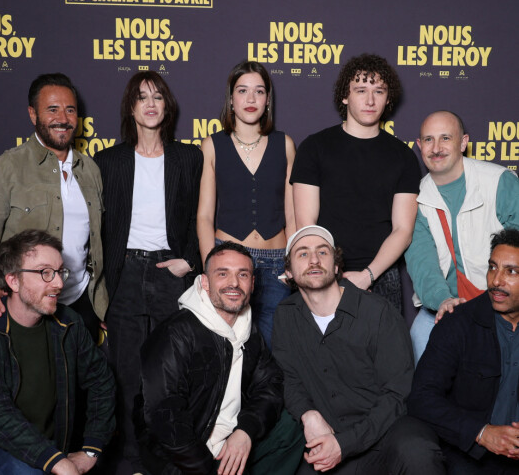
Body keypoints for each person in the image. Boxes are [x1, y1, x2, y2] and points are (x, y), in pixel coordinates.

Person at [94, 70, 203, 474]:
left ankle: (169, 460)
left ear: (167, 105)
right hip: (125, 273)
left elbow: (200, 216)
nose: (151, 103)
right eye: (142, 97)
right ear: (132, 108)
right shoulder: (109, 161)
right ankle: (131, 463)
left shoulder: (188, 157)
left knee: (170, 374)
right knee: (125, 374)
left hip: (169, 271)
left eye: (158, 96)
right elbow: (98, 227)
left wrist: (189, 261)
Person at [273, 225, 445, 474]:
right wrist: (307, 414)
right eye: (302, 254)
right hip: (328, 435)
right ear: (289, 272)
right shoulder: (286, 315)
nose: (313, 260)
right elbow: (289, 378)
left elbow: (397, 395)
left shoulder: (378, 311)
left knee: (418, 450)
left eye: (323, 252)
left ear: (335, 266)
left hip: (385, 433)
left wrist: (345, 444)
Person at [0, 229, 115, 475]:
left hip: (48, 449)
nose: (58, 283)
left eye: (60, 272)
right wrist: (58, 462)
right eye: (45, 273)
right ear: (13, 280)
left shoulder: (69, 324)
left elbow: (102, 382)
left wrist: (90, 450)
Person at [140, 241, 304, 475]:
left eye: (243, 274)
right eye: (223, 274)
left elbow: (271, 385)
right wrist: (204, 467)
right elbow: (165, 418)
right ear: (205, 282)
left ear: (253, 283)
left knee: (291, 424)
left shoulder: (249, 330)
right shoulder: (176, 334)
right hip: (185, 459)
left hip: (230, 443)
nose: (234, 283)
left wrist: (245, 431)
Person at [0, 73, 107, 339]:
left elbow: (98, 245)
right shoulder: (5, 168)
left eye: (70, 110)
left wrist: (102, 303)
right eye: (52, 109)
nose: (63, 118)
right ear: (33, 114)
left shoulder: (90, 171)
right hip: (25, 307)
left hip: (80, 306)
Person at [290, 54, 420, 312]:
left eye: (378, 91)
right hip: (323, 274)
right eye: (361, 90)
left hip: (381, 275)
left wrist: (367, 276)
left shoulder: (403, 156)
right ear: (345, 96)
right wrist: (331, 275)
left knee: (383, 353)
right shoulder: (314, 148)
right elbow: (306, 224)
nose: (370, 100)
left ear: (388, 97)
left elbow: (403, 230)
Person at [405, 111, 519, 362]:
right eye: (428, 140)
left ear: (463, 142)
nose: (436, 148)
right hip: (447, 304)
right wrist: (443, 300)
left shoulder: (499, 182)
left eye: (445, 138)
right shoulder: (415, 197)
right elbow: (421, 261)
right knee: (420, 336)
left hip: (503, 302)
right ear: (419, 145)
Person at [197, 60, 296, 348]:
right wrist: (211, 266)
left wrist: (292, 263)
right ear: (231, 99)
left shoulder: (285, 144)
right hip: (229, 264)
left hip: (277, 265)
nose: (251, 99)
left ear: (268, 100)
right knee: (227, 349)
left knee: (272, 352)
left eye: (259, 91)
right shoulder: (212, 145)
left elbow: (292, 215)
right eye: (242, 91)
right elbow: (204, 215)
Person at [409, 228, 519, 474]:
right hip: (472, 457)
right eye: (493, 267)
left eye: (511, 271)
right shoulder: (458, 323)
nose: (497, 280)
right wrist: (481, 432)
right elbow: (421, 399)